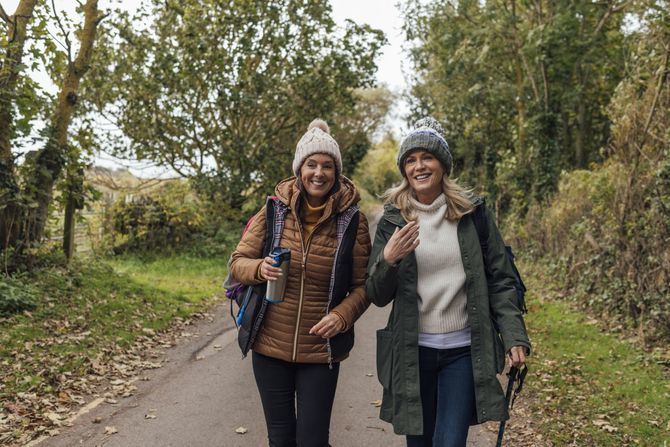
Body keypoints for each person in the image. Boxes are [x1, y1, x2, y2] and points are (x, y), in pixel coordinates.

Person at [366, 117, 531, 447]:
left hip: (463, 353)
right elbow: (376, 294)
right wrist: (389, 259)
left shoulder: (473, 214)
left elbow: (500, 280)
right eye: (410, 160)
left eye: (426, 157)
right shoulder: (393, 219)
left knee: (450, 442)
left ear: (443, 164)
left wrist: (514, 335)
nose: (419, 166)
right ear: (404, 170)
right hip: (413, 353)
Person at [229, 119, 371, 447]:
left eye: (327, 166)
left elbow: (363, 287)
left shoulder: (353, 221)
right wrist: (260, 268)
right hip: (269, 346)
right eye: (311, 164)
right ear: (299, 169)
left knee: (313, 441)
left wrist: (342, 315)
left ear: (336, 173)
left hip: (320, 351)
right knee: (281, 440)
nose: (318, 173)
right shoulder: (274, 211)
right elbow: (237, 263)